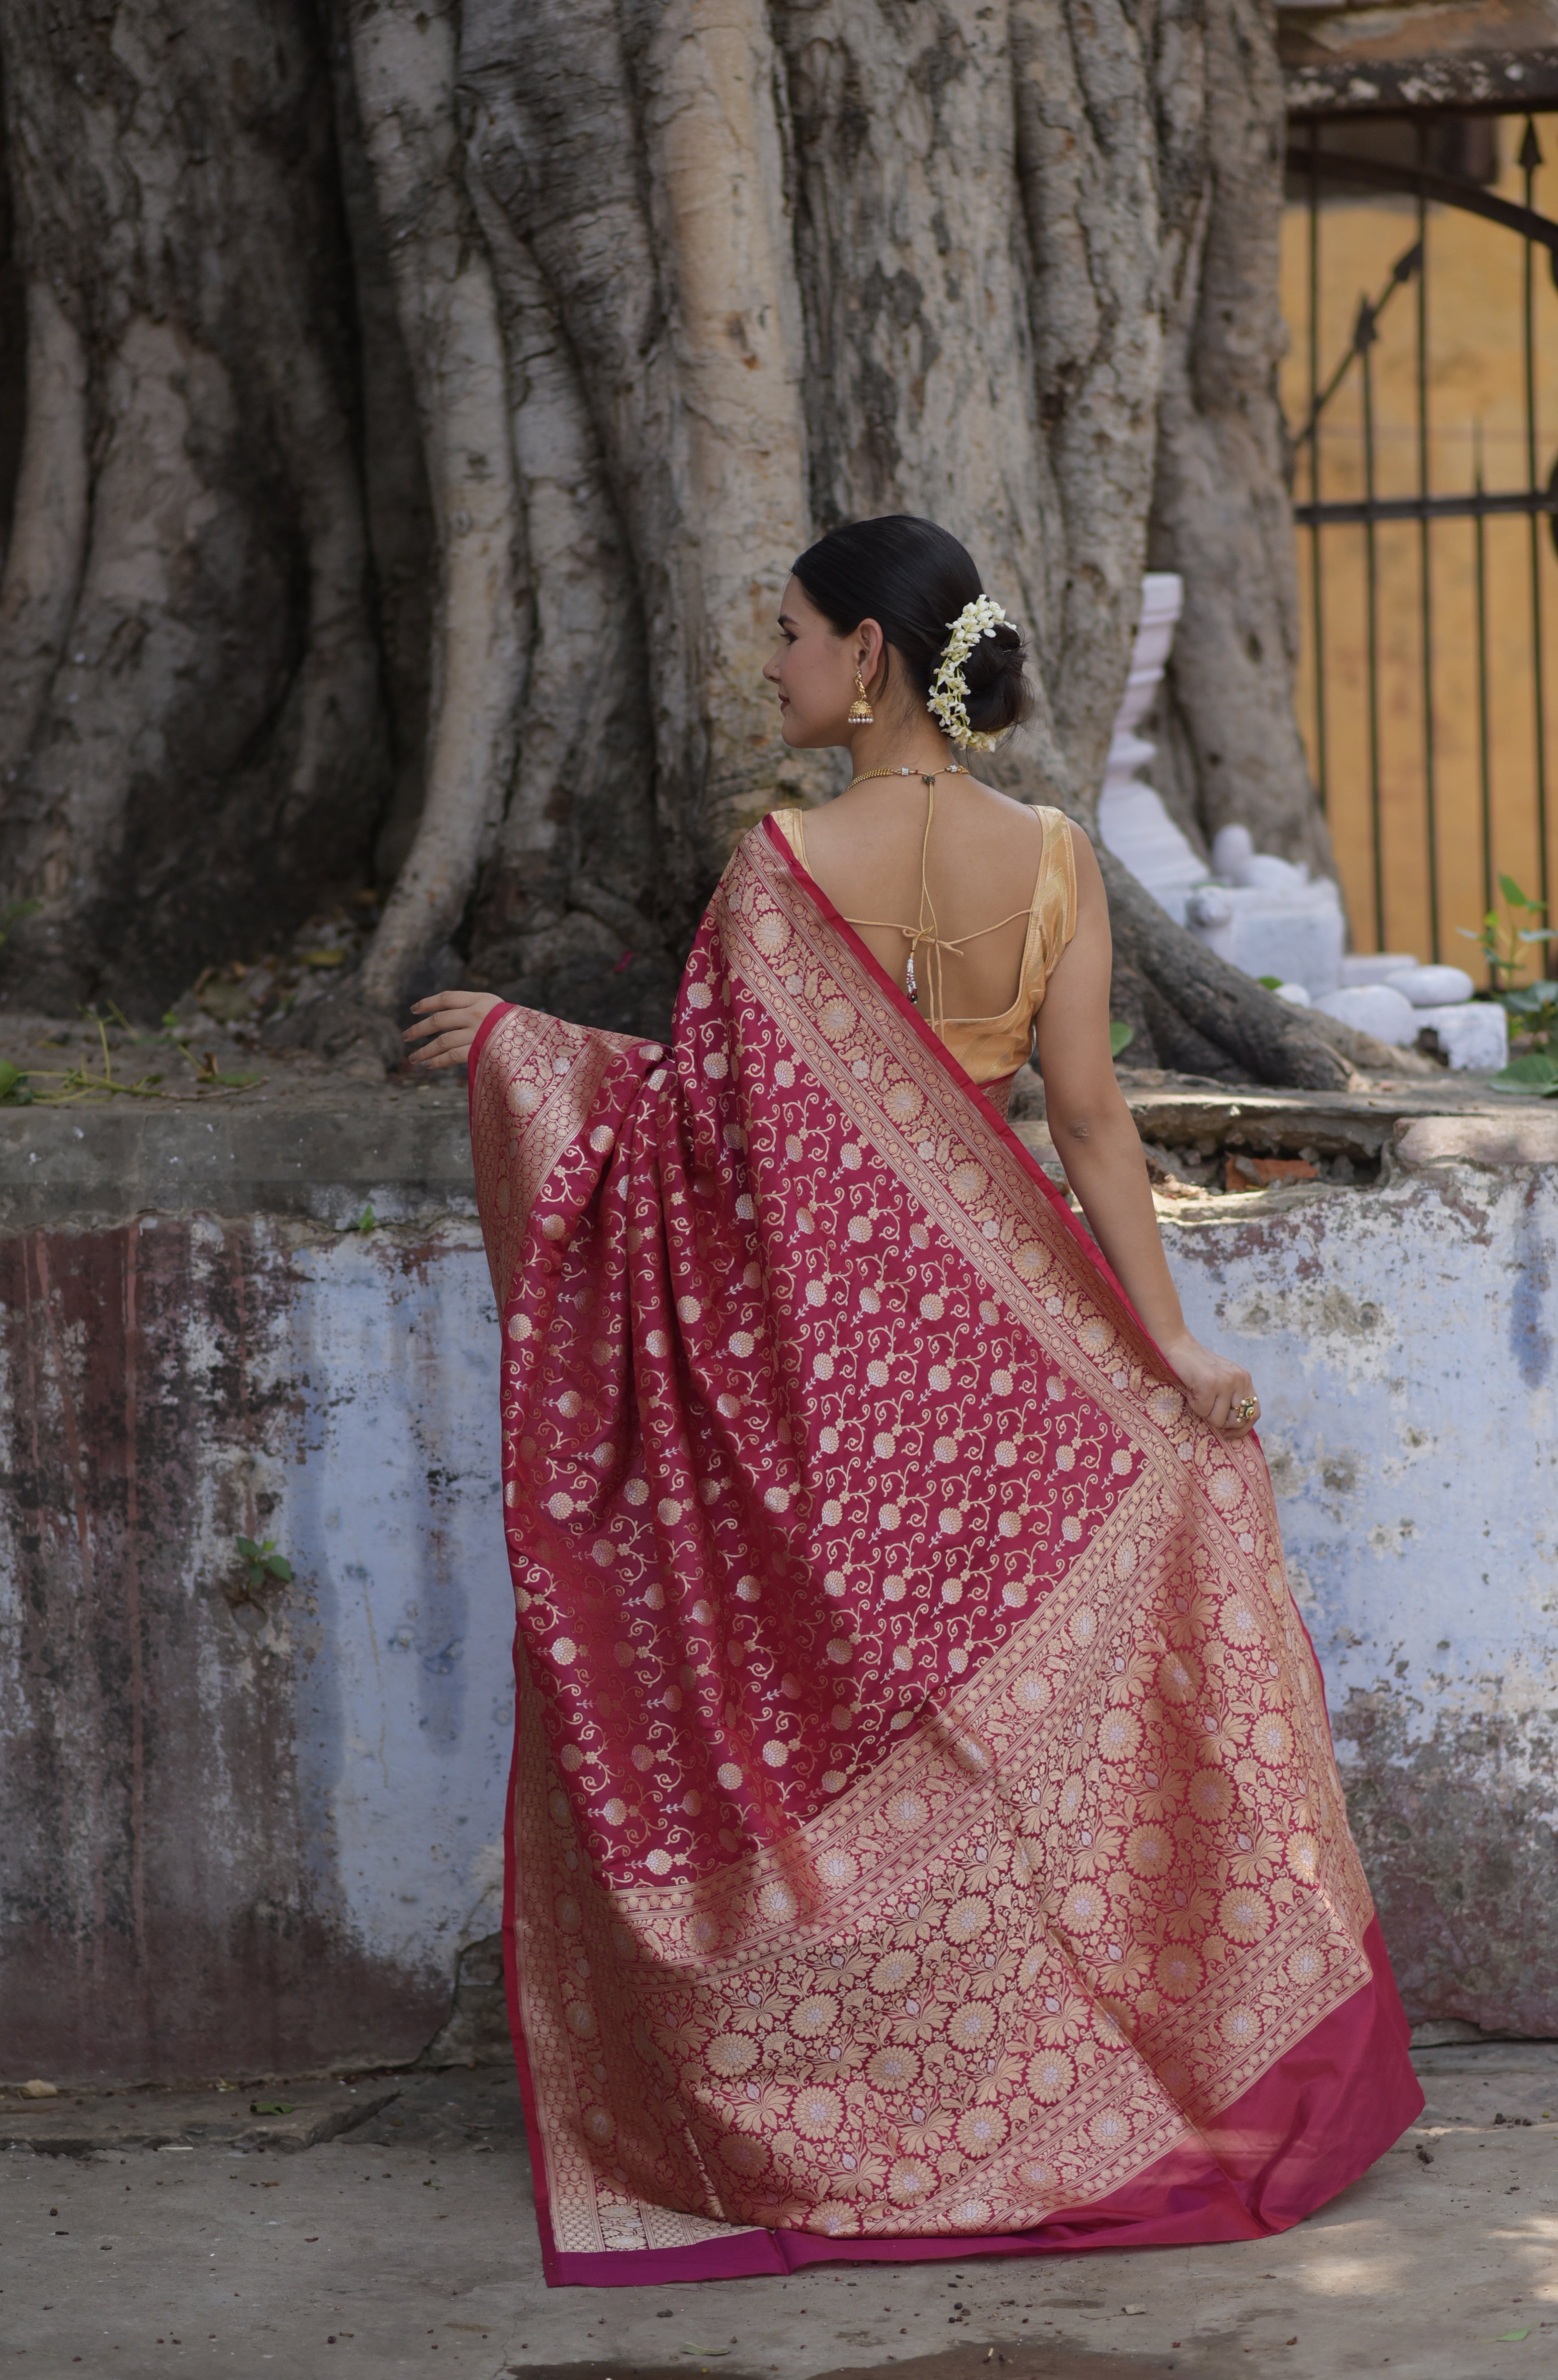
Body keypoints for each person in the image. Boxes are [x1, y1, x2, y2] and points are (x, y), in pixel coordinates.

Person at [406, 515, 1421, 2289]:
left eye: (791, 631)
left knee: (863, 1748)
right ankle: (1076, 2099)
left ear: (868, 655)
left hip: (831, 1382)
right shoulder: (1051, 860)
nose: (775, 662)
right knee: (1008, 1754)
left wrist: (529, 1052)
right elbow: (1091, 1125)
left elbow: (702, 1150)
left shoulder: (783, 869)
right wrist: (1166, 1348)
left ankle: (890, 2120)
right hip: (1006, 1365)